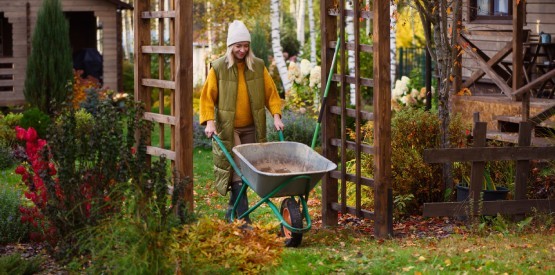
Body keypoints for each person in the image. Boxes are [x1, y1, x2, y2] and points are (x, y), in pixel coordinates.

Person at [200, 20, 284, 224]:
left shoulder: (257, 66)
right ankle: (244, 220)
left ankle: (232, 210)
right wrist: (209, 122)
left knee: (246, 171)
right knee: (240, 169)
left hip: (252, 126)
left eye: (246, 46)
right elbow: (207, 97)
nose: (242, 50)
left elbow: (271, 93)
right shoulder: (219, 68)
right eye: (238, 46)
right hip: (230, 129)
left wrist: (276, 116)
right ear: (231, 46)